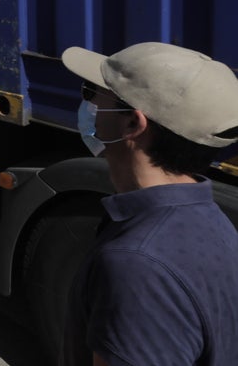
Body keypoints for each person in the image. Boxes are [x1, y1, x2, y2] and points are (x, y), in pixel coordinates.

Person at [59, 42, 238, 366]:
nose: (88, 105)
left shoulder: (137, 264)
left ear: (133, 124)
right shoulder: (214, 223)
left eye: (92, 93)